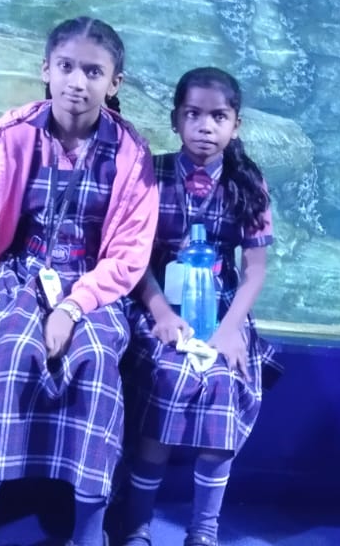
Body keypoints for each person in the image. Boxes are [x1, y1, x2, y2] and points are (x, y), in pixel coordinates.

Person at [0, 17, 158, 546]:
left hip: (94, 286)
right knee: (15, 350)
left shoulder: (131, 154)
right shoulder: (11, 138)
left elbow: (128, 256)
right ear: (46, 69)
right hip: (19, 275)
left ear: (114, 83)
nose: (77, 82)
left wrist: (73, 307)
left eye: (93, 72)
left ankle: (88, 530)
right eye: (66, 67)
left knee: (95, 363)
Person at [115, 67, 277, 546]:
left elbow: (255, 269)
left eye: (218, 116)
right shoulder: (150, 173)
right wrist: (162, 313)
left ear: (236, 124)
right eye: (193, 114)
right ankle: (137, 523)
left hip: (223, 308)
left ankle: (204, 528)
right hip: (157, 303)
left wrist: (231, 328)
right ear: (175, 120)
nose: (206, 126)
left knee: (224, 382)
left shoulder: (249, 183)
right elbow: (132, 257)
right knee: (166, 378)